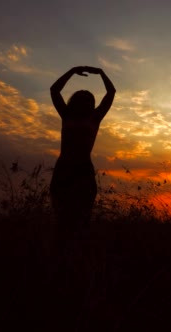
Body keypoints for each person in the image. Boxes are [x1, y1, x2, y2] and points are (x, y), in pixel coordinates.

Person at [50, 66, 115, 228]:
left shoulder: (95, 118)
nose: (85, 101)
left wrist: (101, 73)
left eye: (89, 99)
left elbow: (111, 92)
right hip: (64, 167)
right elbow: (54, 90)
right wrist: (73, 70)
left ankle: (78, 247)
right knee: (61, 215)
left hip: (84, 169)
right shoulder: (66, 115)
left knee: (83, 216)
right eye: (82, 98)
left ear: (92, 104)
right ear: (74, 101)